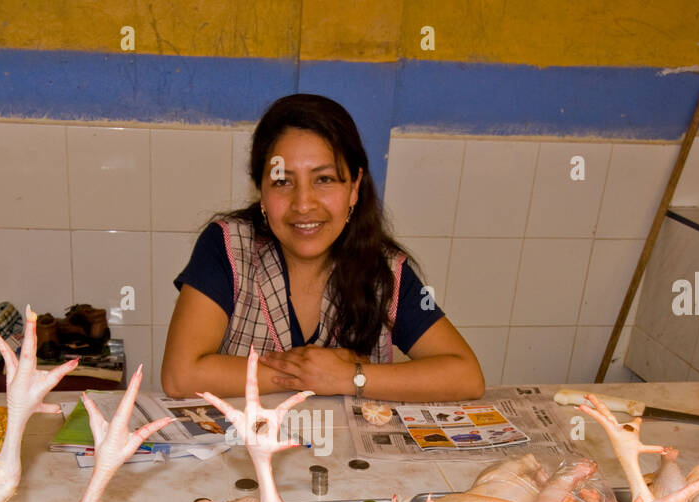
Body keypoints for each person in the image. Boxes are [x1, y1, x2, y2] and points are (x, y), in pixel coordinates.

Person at [160, 93, 485, 401]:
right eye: (282, 181)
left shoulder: (385, 271)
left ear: (354, 188)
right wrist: (312, 376)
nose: (303, 204)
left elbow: (466, 375)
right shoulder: (226, 247)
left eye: (324, 179)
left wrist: (348, 377)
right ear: (260, 189)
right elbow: (181, 375)